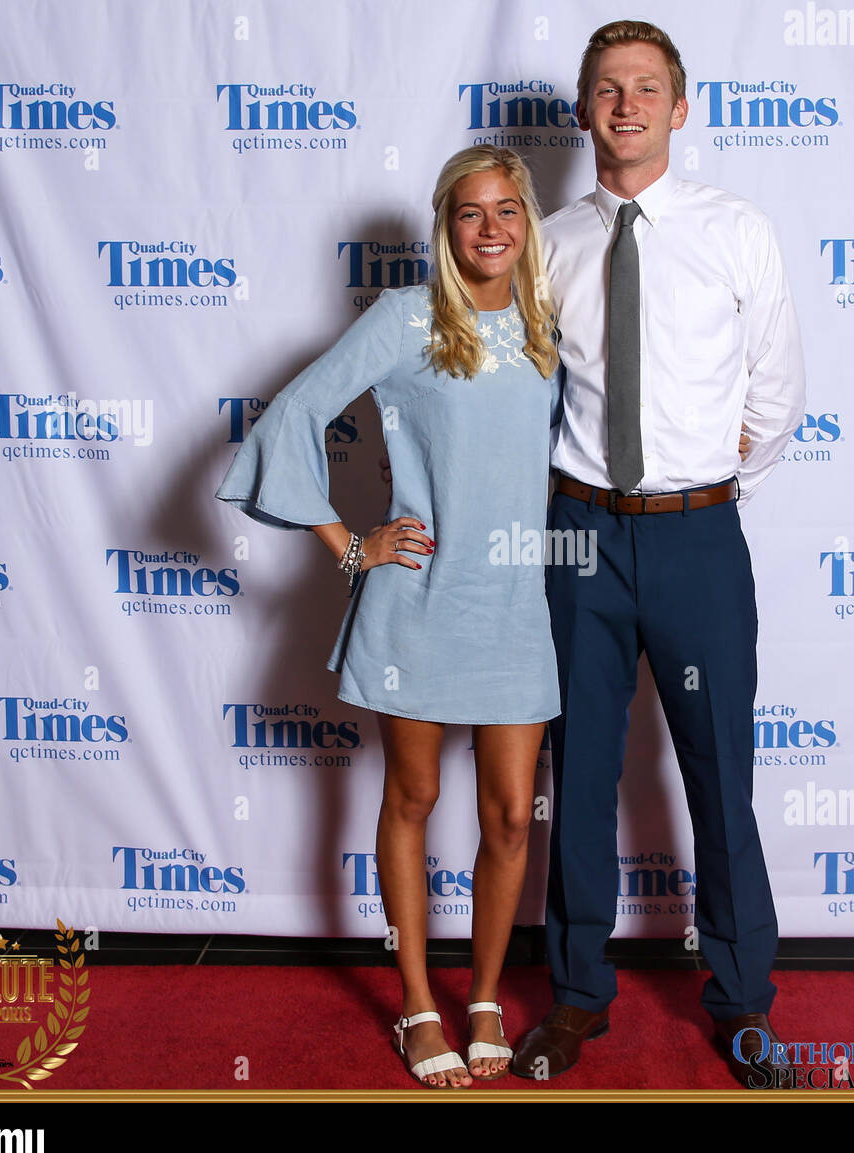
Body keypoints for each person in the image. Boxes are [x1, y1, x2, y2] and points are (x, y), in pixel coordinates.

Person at [216, 146, 561, 1088]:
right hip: (417, 605)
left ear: (529, 223)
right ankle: (416, 1000)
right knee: (411, 799)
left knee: (510, 820)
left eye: (507, 211)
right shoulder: (410, 318)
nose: (490, 228)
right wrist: (352, 545)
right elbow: (293, 413)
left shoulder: (549, 322)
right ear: (444, 228)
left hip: (517, 606)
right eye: (468, 213)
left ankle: (484, 998)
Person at [510, 20, 806, 1087]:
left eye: (646, 88)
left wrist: (699, 496)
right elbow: (521, 398)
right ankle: (577, 997)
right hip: (578, 538)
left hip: (697, 539)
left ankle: (742, 1000)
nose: (625, 104)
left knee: (720, 777)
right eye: (606, 88)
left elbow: (774, 394)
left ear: (679, 109)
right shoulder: (546, 242)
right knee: (577, 774)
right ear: (584, 111)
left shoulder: (737, 232)